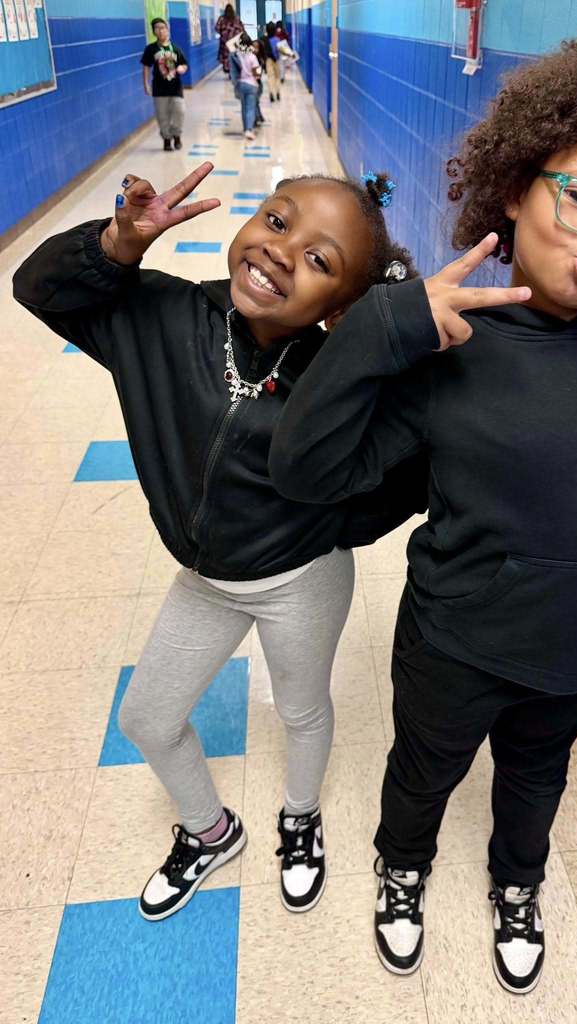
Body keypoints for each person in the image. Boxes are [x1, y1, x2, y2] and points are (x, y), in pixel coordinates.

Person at [269, 34, 577, 993]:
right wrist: (385, 327)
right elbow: (307, 473)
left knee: (538, 775)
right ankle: (402, 868)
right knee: (425, 770)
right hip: (457, 644)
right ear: (519, 188)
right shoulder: (453, 348)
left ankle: (517, 882)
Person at [13, 166, 425, 922]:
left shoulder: (338, 383)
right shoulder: (166, 316)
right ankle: (210, 831)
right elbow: (37, 289)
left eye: (319, 259)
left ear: (339, 309)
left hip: (300, 579)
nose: (281, 251)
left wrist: (329, 527)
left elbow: (402, 475)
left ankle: (300, 818)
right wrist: (113, 248)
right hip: (205, 579)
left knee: (300, 709)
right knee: (147, 718)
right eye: (277, 221)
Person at [141, 18, 188, 152]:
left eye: (162, 28)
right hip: (159, 88)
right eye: (157, 28)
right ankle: (167, 139)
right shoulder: (151, 49)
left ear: (167, 30)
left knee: (180, 111)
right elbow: (146, 67)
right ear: (154, 32)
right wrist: (146, 84)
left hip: (175, 87)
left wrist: (182, 68)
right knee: (162, 116)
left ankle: (177, 135)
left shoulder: (176, 48)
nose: (160, 31)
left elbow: (184, 64)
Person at [234, 34, 265, 138]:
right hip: (252, 85)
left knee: (244, 108)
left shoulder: (237, 56)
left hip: (241, 84)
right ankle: (249, 129)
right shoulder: (252, 57)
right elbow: (257, 74)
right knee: (250, 108)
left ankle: (245, 129)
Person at [215, 3, 244, 76]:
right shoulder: (236, 18)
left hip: (225, 42)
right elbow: (241, 29)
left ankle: (229, 69)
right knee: (235, 55)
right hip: (235, 42)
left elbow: (217, 28)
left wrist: (223, 33)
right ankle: (234, 70)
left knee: (226, 56)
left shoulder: (221, 19)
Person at [262, 22, 281, 102]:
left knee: (270, 77)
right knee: (277, 77)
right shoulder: (277, 40)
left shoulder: (264, 40)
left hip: (268, 60)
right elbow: (280, 51)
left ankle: (271, 93)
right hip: (277, 60)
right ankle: (277, 92)